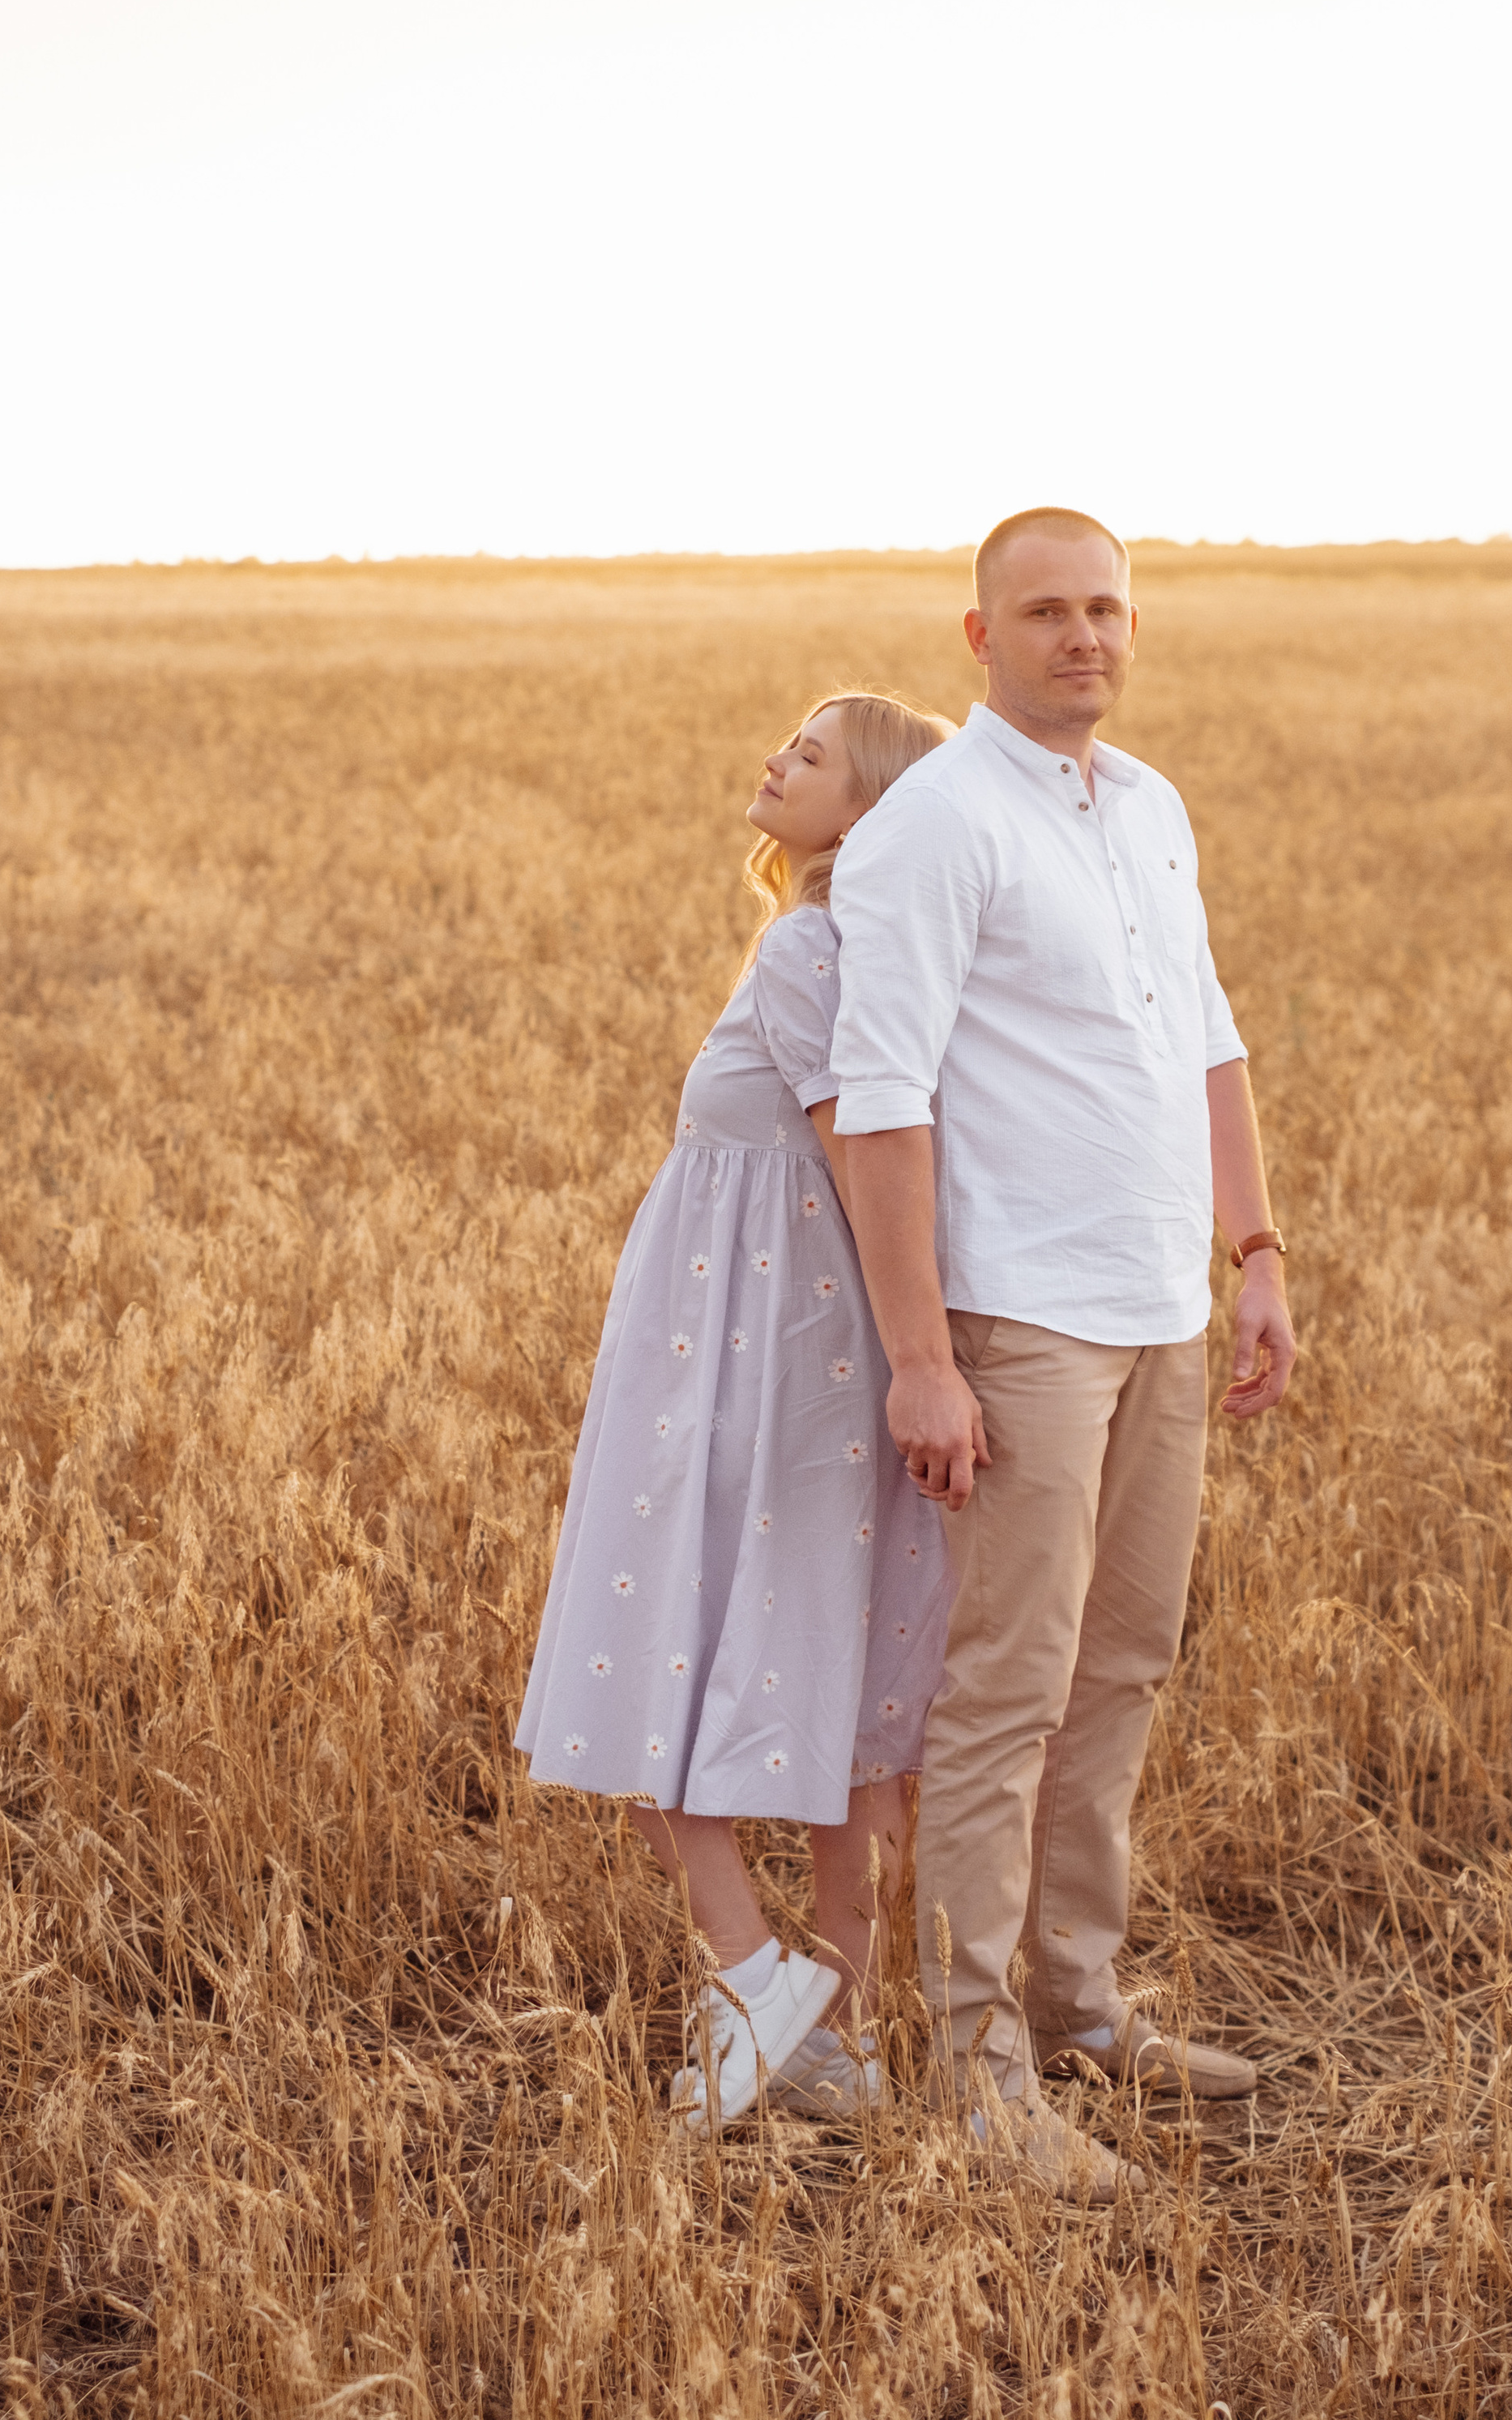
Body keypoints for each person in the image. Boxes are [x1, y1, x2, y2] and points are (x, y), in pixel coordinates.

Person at [828, 508, 1296, 2200]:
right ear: (977, 638)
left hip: (1161, 1304)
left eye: (1104, 607)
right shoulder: (934, 829)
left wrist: (1251, 1253)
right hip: (1016, 1326)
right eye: (1044, 611)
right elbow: (877, 1105)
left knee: (1124, 1667)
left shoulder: (1148, 805)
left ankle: (1079, 2006)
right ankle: (971, 2080)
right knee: (1004, 1694)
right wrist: (917, 1359)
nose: (1081, 637)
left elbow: (1211, 1046)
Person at [515, 688, 955, 2130]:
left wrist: (910, 1359)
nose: (779, 756)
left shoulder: (804, 952)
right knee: (843, 1707)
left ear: (868, 809)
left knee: (643, 1648)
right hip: (778, 1345)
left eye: (814, 754)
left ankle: (757, 1972)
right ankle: (846, 2040)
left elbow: (860, 1157)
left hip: (754, 1358)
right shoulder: (852, 950)